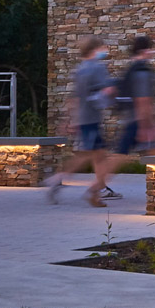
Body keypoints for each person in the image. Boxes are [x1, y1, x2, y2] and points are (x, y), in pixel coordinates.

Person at [44, 36, 115, 206]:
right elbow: (108, 89)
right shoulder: (97, 68)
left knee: (97, 155)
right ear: (94, 50)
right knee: (89, 156)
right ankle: (62, 180)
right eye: (101, 47)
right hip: (92, 118)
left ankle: (97, 190)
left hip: (83, 118)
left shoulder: (79, 69)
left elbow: (74, 98)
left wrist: (70, 120)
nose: (104, 51)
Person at [94, 35, 155, 202]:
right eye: (151, 48)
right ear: (144, 50)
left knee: (122, 155)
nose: (153, 52)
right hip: (140, 121)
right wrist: (145, 126)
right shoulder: (141, 71)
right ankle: (94, 188)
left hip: (135, 120)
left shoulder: (133, 68)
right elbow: (142, 100)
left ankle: (95, 188)